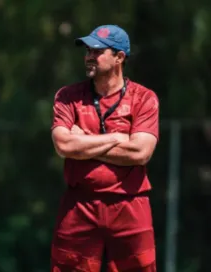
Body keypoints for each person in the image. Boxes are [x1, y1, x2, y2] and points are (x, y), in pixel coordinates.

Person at [50, 25, 159, 272]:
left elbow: (140, 153)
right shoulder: (67, 96)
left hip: (130, 205)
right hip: (79, 205)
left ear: (119, 57)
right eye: (87, 50)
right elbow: (64, 144)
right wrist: (117, 138)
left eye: (97, 51)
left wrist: (84, 142)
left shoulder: (144, 98)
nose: (89, 56)